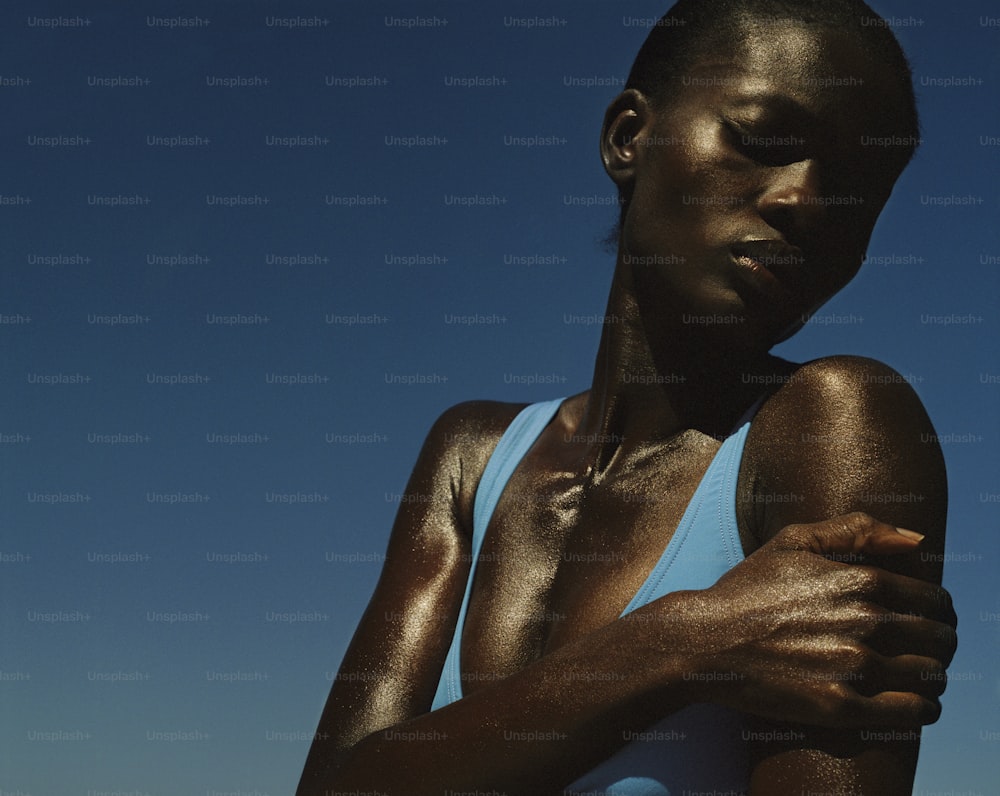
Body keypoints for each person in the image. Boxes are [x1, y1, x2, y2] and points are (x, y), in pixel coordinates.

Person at [297, 1, 958, 793]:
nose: (805, 201)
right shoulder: (472, 459)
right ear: (626, 139)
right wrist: (682, 643)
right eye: (762, 140)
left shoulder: (835, 422)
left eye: (859, 187)